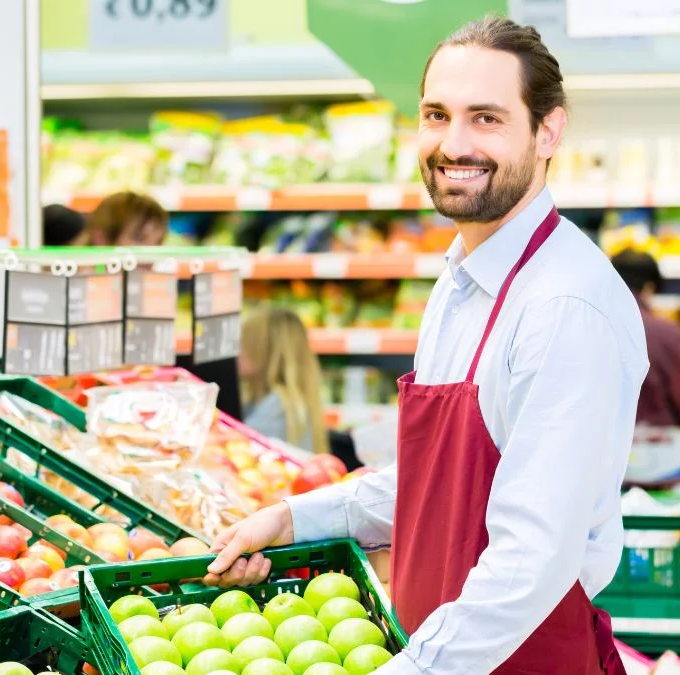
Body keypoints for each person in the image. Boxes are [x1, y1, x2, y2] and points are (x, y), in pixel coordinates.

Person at [203, 16, 647, 675]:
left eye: (486, 118)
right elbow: (441, 480)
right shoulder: (460, 281)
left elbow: (532, 558)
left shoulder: (564, 306)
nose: (453, 143)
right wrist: (296, 518)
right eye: (436, 116)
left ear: (548, 129)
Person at [611, 249, 680, 429]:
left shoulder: (585, 327)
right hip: (657, 448)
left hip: (599, 449)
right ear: (649, 287)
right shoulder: (665, 334)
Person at [238, 307, 329, 455]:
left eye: (243, 342)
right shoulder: (284, 399)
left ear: (263, 350)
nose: (236, 351)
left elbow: (237, 447)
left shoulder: (279, 405)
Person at [80, 191, 169, 246]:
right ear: (101, 238)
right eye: (140, 238)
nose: (151, 253)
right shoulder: (70, 275)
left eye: (158, 243)